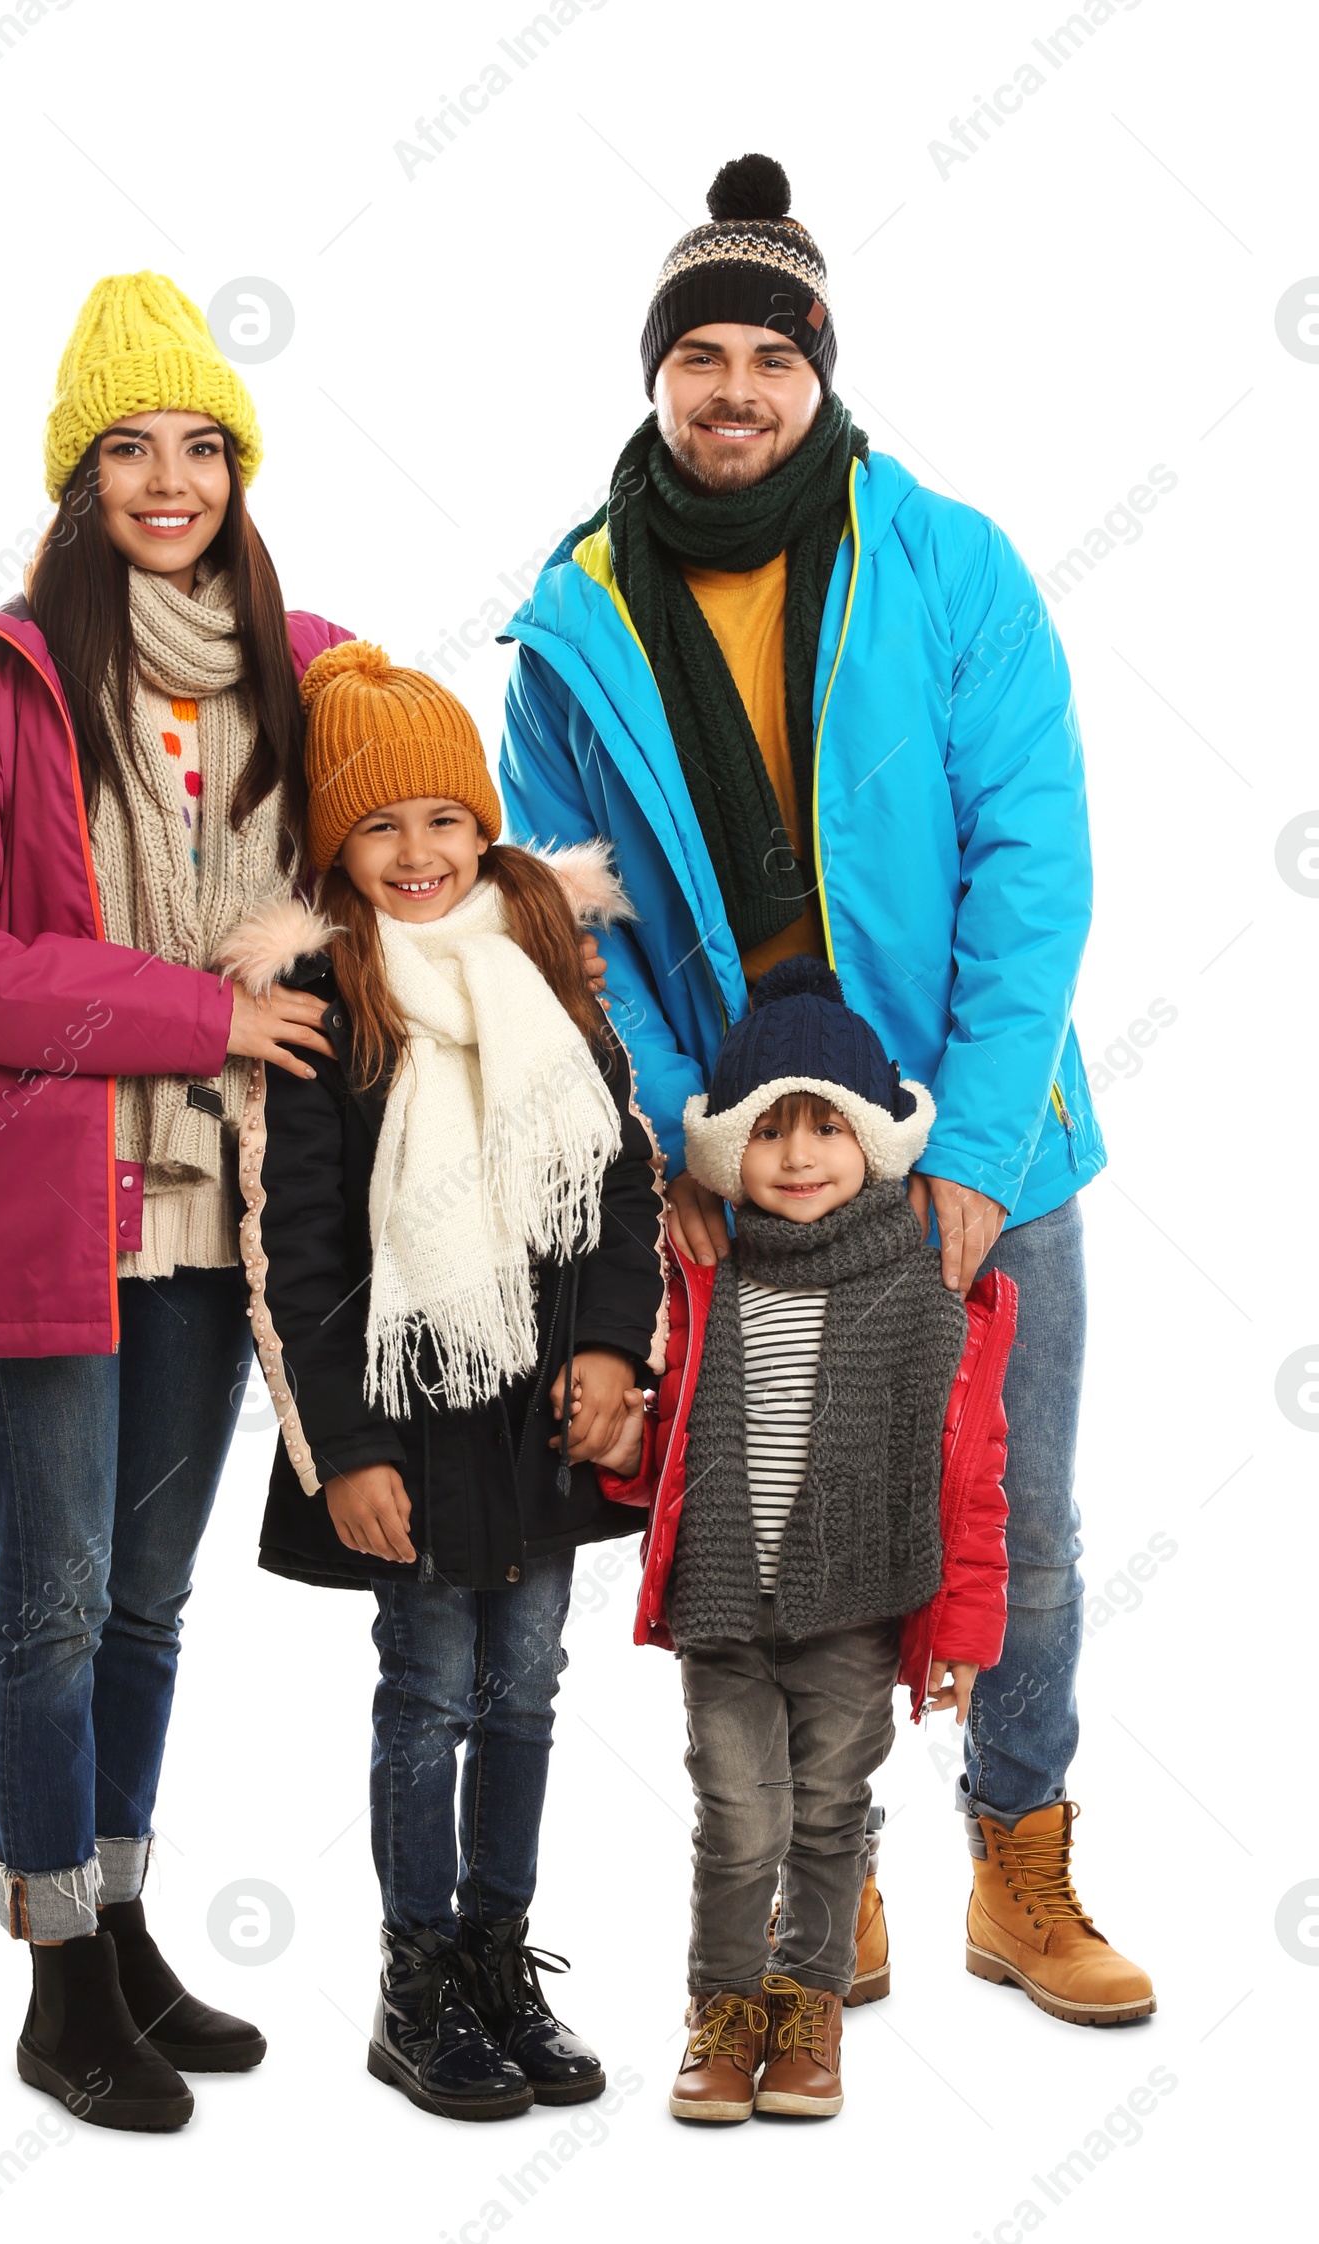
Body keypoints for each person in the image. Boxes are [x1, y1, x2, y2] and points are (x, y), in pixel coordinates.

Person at [500, 152, 1154, 2023]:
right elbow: (573, 914)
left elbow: (1036, 860)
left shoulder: (949, 560)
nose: (731, 390)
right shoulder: (583, 604)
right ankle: (827, 1866)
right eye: (696, 353)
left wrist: (986, 1130)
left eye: (765, 357)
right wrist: (671, 1140)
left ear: (818, 369)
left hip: (981, 1133)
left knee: (1011, 1516)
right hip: (749, 1153)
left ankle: (1020, 1861)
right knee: (791, 1521)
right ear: (658, 376)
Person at [0, 272, 353, 2131]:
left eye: (203, 442)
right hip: (49, 1208)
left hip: (213, 1211)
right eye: (129, 446)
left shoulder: (300, 670)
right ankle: (57, 1977)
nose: (172, 477)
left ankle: (126, 1918)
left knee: (150, 1597)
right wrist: (204, 1007)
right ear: (78, 477)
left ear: (240, 464)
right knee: (55, 1592)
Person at [223, 642, 662, 2120]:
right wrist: (340, 1448)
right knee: (429, 1692)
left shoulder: (545, 973)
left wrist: (611, 1350)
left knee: (526, 1689)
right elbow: (287, 1244)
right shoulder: (324, 994)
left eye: (445, 820)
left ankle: (493, 1953)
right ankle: (416, 1981)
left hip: (535, 1413)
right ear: (337, 852)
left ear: (485, 828)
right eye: (379, 826)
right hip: (409, 1420)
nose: (418, 854)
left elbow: (618, 1185)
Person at [600, 957, 1020, 2118]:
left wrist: (965, 1631)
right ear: (729, 1147)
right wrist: (626, 1451)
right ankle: (723, 2008)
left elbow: (971, 1487)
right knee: (738, 1820)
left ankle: (808, 2007)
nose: (795, 1156)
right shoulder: (703, 1280)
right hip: (724, 1608)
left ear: (874, 1141)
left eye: (823, 1127)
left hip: (858, 1606)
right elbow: (671, 1446)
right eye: (769, 1130)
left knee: (831, 1814)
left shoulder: (926, 1292)